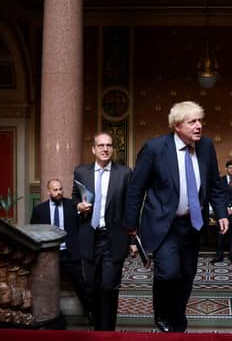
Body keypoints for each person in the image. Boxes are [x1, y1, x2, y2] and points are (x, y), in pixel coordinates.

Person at [124, 101, 229, 333]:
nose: (199, 126)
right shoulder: (154, 148)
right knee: (168, 273)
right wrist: (131, 229)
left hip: (192, 225)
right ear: (177, 126)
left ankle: (177, 317)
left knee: (186, 275)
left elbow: (214, 185)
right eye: (192, 122)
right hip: (164, 225)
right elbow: (135, 189)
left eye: (200, 120)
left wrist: (221, 213)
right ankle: (161, 313)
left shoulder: (207, 146)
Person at [72, 132, 132, 331]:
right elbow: (74, 198)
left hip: (113, 239)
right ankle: (98, 329)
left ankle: (108, 332)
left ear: (113, 149)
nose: (105, 149)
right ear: (93, 149)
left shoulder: (124, 173)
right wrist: (78, 206)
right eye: (101, 145)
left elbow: (130, 207)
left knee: (109, 286)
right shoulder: (81, 172)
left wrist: (132, 238)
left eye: (109, 145)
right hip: (89, 237)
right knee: (92, 287)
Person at [30, 179, 90, 322]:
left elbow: (82, 225)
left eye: (60, 189)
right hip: (49, 255)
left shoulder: (71, 206)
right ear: (48, 191)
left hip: (70, 254)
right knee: (43, 285)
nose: (59, 192)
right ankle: (44, 316)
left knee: (82, 286)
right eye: (55, 190)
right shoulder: (39, 210)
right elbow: (34, 231)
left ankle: (91, 315)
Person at [210, 160, 232, 265]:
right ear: (226, 169)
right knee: (221, 232)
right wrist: (224, 208)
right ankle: (219, 256)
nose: (231, 170)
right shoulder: (220, 180)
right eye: (229, 168)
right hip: (223, 210)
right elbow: (218, 195)